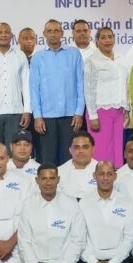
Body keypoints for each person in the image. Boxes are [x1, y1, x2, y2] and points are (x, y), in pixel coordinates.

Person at [31, 20, 85, 165]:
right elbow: (34, 89)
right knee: (47, 158)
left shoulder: (74, 53)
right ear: (44, 34)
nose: (53, 34)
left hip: (70, 115)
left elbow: (80, 84)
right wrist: (37, 116)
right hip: (46, 117)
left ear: (62, 33)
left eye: (56, 31)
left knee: (70, 159)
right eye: (49, 31)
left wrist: (79, 112)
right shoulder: (38, 57)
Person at [84, 27, 129, 167]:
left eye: (110, 37)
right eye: (103, 37)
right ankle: (100, 179)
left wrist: (127, 108)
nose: (107, 40)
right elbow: (88, 89)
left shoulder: (121, 59)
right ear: (97, 41)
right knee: (102, 151)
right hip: (100, 112)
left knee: (117, 149)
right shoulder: (92, 61)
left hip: (119, 111)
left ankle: (117, 178)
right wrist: (92, 115)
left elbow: (125, 84)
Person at [58, 131, 98, 200]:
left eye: (85, 147)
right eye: (76, 147)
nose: (81, 151)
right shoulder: (59, 172)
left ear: (93, 149)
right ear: (70, 150)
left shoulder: (103, 171)